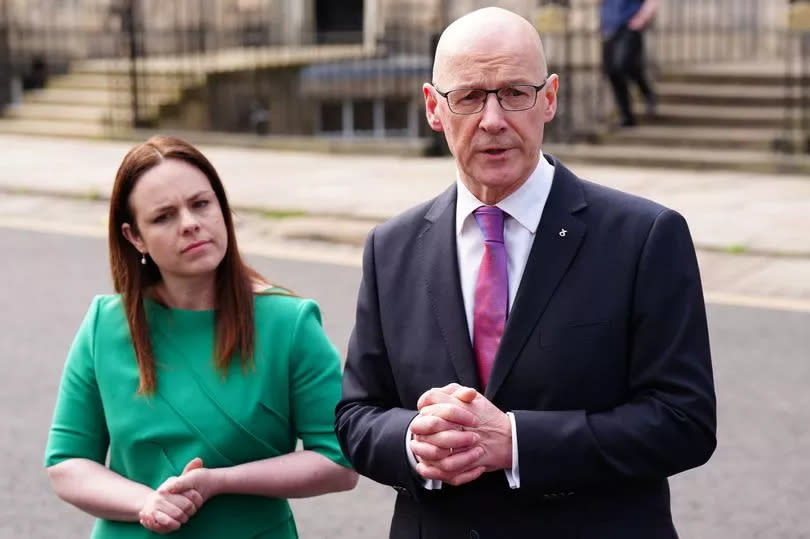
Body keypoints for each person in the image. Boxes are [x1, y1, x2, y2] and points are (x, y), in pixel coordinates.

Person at [335, 7, 715, 539]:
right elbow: (356, 414)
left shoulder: (645, 235)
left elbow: (684, 422)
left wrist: (517, 442)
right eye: (468, 96)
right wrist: (412, 439)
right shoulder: (391, 246)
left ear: (550, 98)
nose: (493, 119)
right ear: (433, 108)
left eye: (515, 92)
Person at [45, 135, 357, 538]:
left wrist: (220, 481)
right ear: (134, 237)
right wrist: (145, 503)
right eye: (164, 216)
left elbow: (339, 461)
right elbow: (67, 463)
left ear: (221, 209)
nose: (190, 223)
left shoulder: (290, 323)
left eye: (201, 204)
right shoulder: (104, 325)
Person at [601, 0, 659, 126]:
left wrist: (643, 18)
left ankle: (647, 93)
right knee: (612, 72)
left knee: (623, 65)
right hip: (610, 27)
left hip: (629, 27)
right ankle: (626, 115)